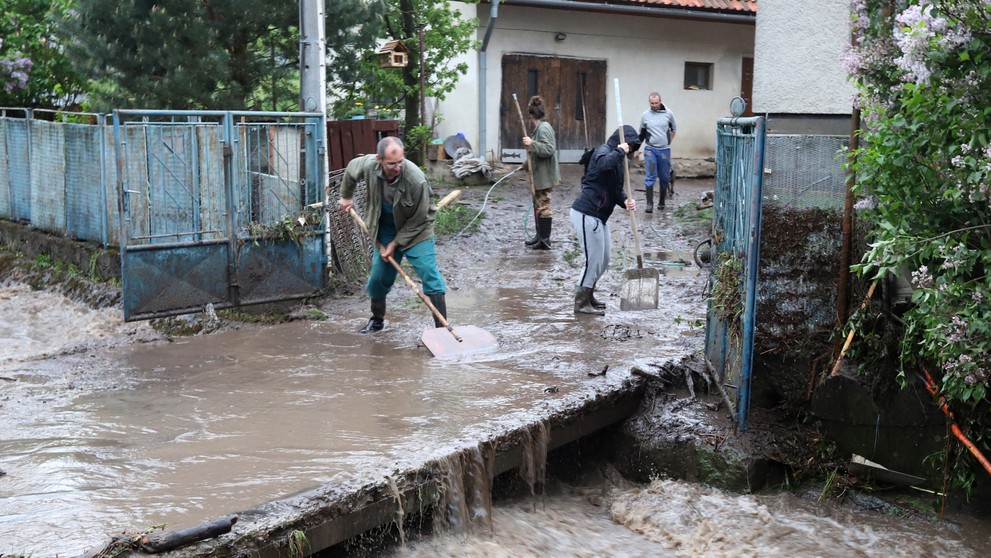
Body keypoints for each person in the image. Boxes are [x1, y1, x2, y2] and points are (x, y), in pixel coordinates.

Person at [338, 136, 448, 334]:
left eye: (400, 162)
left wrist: (396, 244)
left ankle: (442, 329)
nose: (397, 167)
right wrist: (346, 196)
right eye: (391, 164)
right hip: (386, 228)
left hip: (417, 230)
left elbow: (420, 219)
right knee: (378, 278)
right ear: (379, 160)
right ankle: (377, 321)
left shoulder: (416, 180)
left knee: (429, 274)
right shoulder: (369, 165)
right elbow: (351, 169)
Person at [569, 125, 640, 315]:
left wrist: (625, 201)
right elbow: (602, 164)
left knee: (604, 258)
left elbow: (615, 189)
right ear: (621, 141)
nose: (631, 150)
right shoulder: (604, 151)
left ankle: (589, 293)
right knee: (593, 261)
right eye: (630, 146)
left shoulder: (618, 161)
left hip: (600, 217)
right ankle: (581, 302)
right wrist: (619, 151)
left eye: (633, 148)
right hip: (586, 213)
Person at [522, 95, 560, 250]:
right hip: (539, 175)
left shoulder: (544, 128)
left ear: (531, 116)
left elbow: (549, 149)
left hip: (545, 176)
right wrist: (524, 165)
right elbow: (535, 154)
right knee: (538, 205)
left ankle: (545, 240)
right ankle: (539, 237)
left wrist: (532, 143)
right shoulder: (539, 129)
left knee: (543, 206)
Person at [637, 92, 677, 213]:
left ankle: (661, 201)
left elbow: (674, 128)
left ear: (660, 101)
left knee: (664, 177)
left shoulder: (668, 114)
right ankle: (649, 204)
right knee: (650, 175)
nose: (654, 105)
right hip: (650, 149)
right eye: (651, 103)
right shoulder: (645, 115)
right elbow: (642, 134)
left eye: (656, 103)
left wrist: (668, 141)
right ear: (649, 102)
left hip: (664, 150)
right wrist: (637, 149)